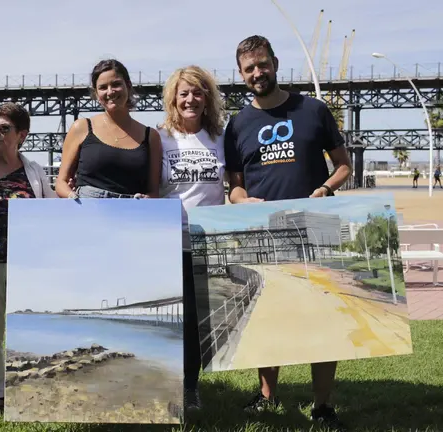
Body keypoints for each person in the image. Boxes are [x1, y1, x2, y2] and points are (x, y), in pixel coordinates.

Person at [223, 35, 352, 429]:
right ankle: (267, 396)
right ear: (242, 75)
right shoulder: (238, 124)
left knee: (323, 317)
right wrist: (240, 201)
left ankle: (323, 404)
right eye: (249, 69)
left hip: (315, 227)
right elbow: (235, 186)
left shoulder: (313, 110)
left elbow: (344, 166)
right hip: (264, 234)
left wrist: (326, 189)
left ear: (275, 63)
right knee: (266, 316)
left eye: (262, 64)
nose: (257, 73)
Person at [0, 102, 56, 412]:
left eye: (3, 128)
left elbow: (52, 210)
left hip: (26, 267)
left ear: (21, 135)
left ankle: (31, 388)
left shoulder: (33, 172)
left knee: (30, 327)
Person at [156, 65, 227, 412]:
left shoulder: (220, 138)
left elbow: (236, 183)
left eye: (198, 92)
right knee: (173, 322)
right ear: (173, 97)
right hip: (168, 243)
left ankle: (190, 387)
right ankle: (166, 384)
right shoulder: (160, 137)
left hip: (206, 242)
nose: (191, 99)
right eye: (184, 93)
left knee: (197, 324)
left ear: (207, 98)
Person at [54, 59, 161, 199]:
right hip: (88, 209)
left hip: (132, 212)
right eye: (103, 87)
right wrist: (71, 197)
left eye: (116, 84)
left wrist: (147, 200)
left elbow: (154, 191)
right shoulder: (81, 128)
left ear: (128, 86)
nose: (110, 92)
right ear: (96, 94)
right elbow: (61, 182)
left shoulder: (151, 136)